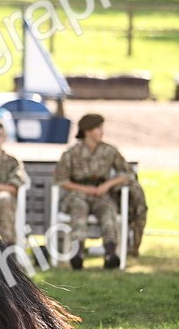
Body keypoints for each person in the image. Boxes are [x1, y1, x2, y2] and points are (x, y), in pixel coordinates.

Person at [54, 113, 133, 270]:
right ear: (88, 131)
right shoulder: (71, 153)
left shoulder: (110, 151)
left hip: (101, 193)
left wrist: (107, 185)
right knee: (79, 208)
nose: (101, 132)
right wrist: (84, 189)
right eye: (98, 128)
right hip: (77, 193)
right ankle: (78, 252)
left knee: (108, 210)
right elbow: (61, 180)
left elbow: (128, 174)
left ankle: (110, 253)